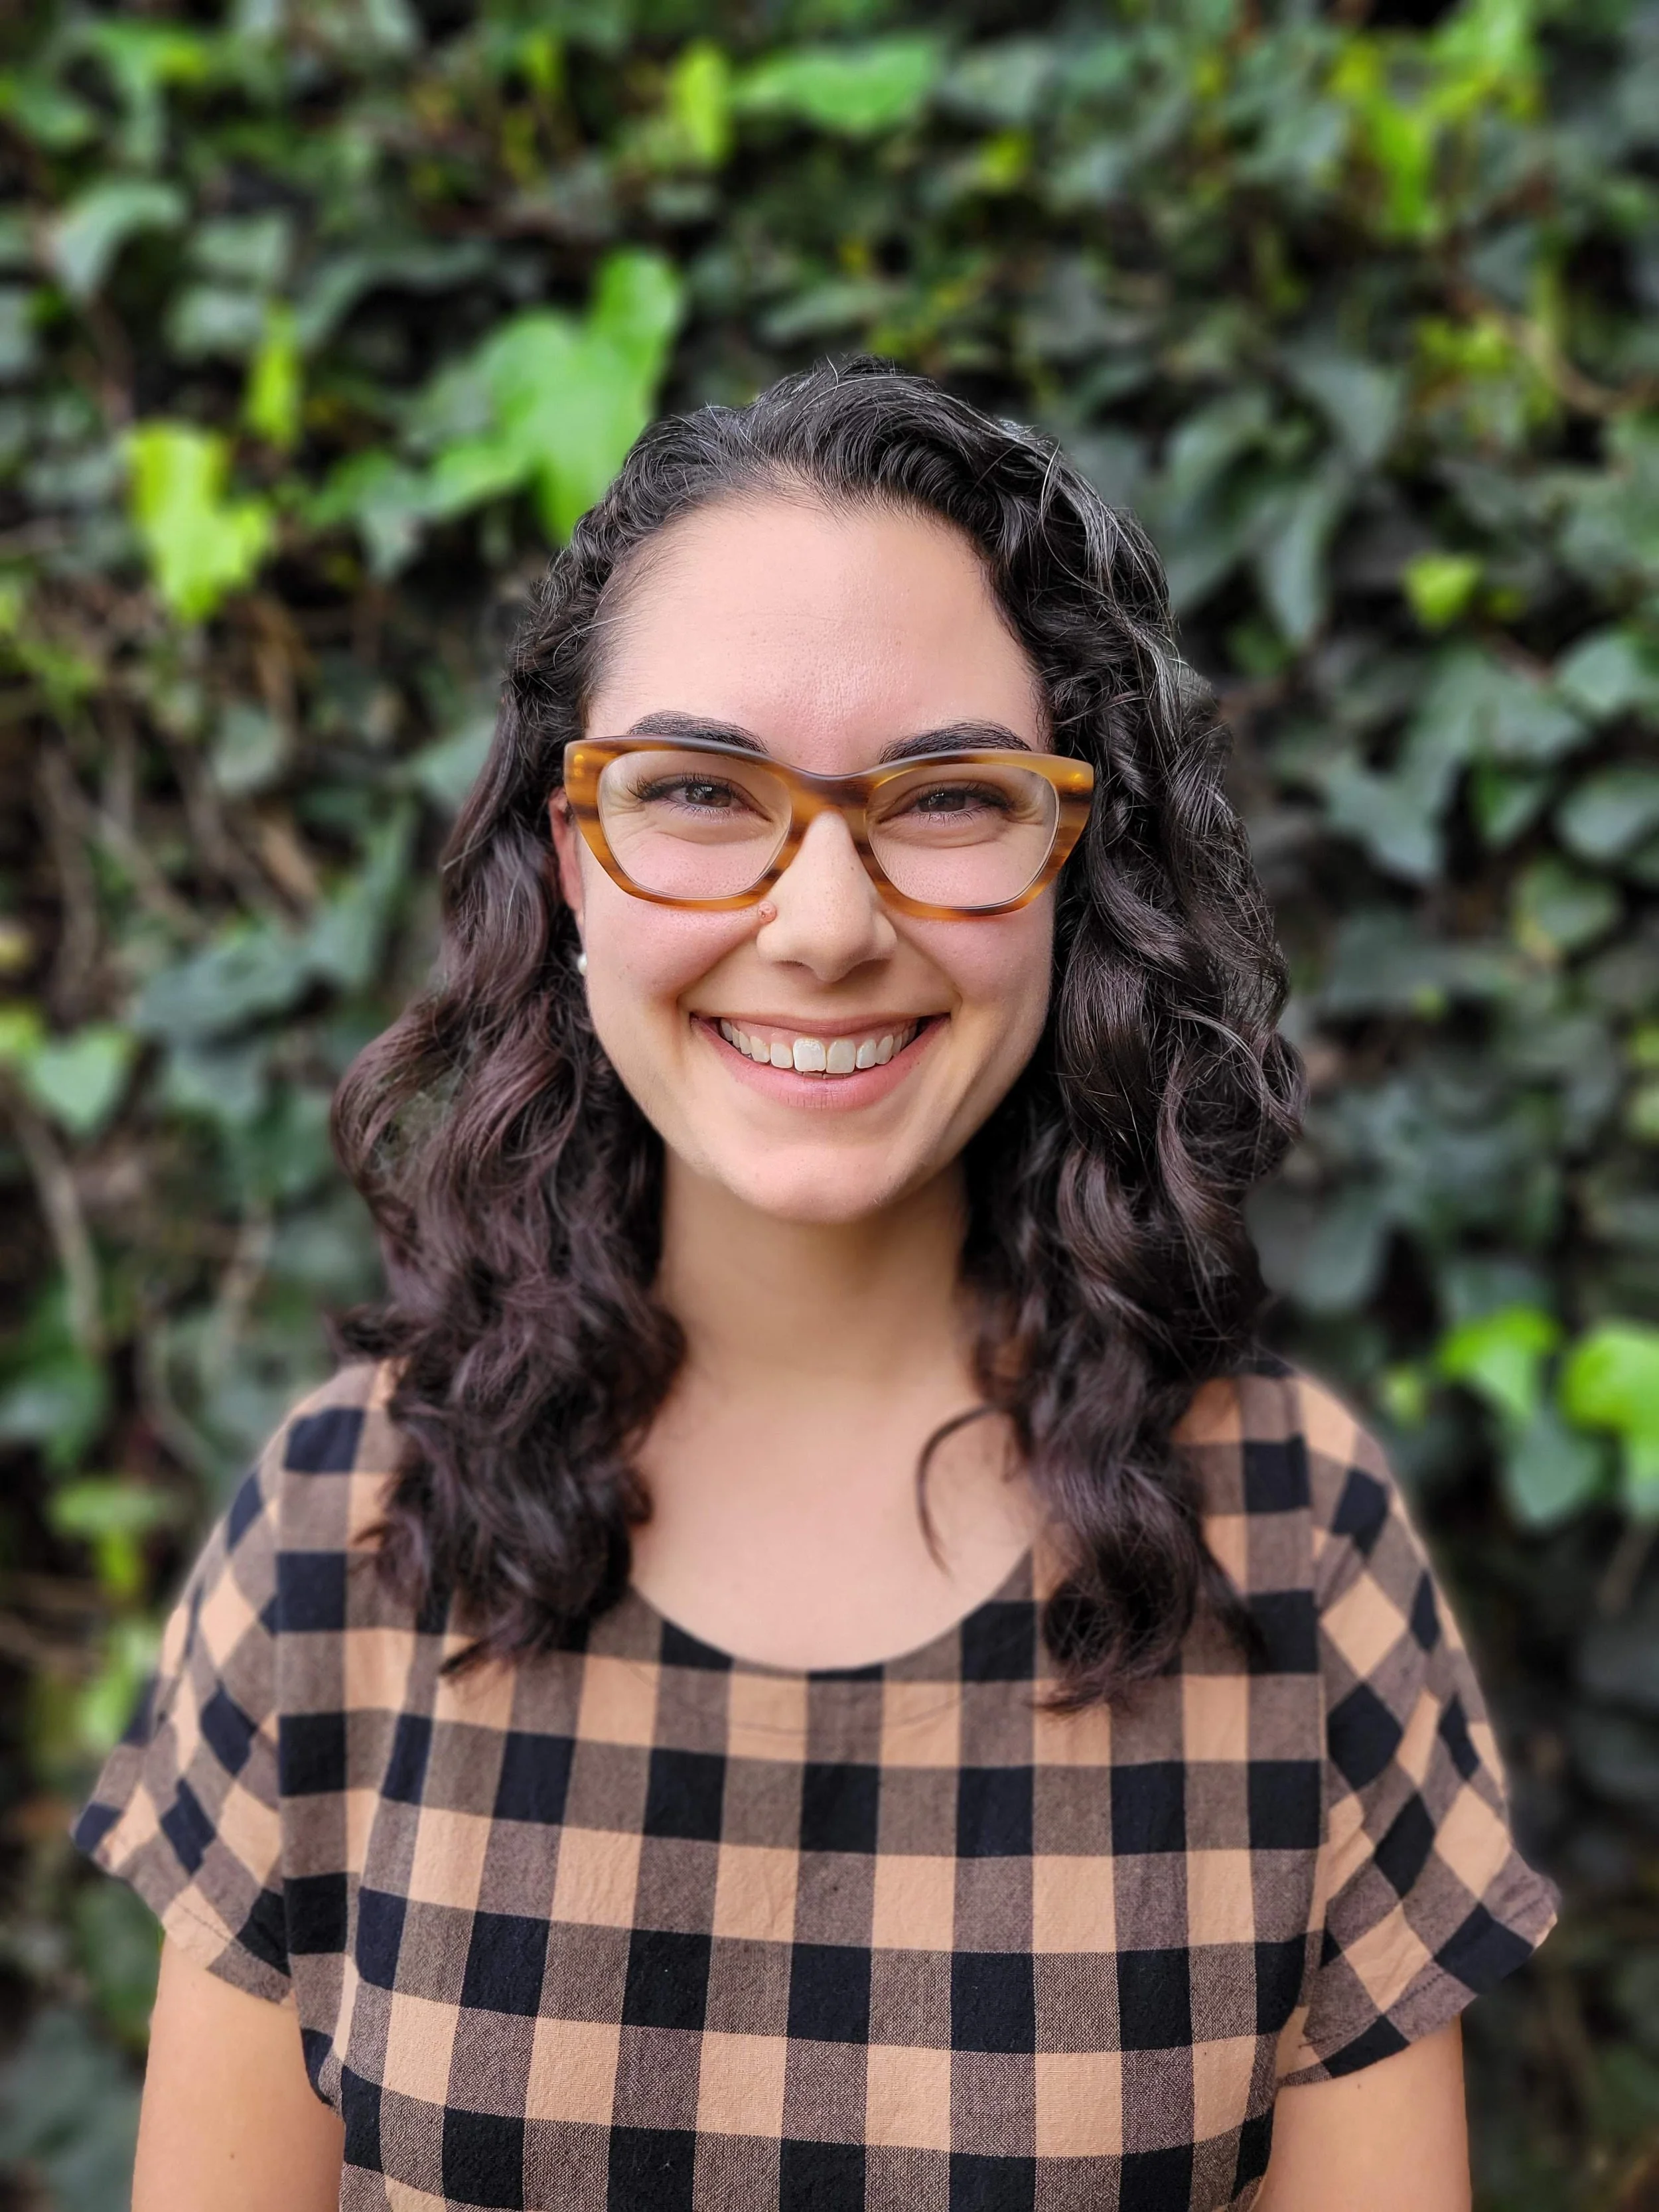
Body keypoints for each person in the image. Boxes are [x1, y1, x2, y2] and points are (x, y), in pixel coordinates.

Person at [72, 360, 1556, 2212]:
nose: (829, 924)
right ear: (573, 852)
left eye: (945, 798)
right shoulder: (338, 1530)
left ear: (1068, 866)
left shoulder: (1288, 1538)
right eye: (699, 788)